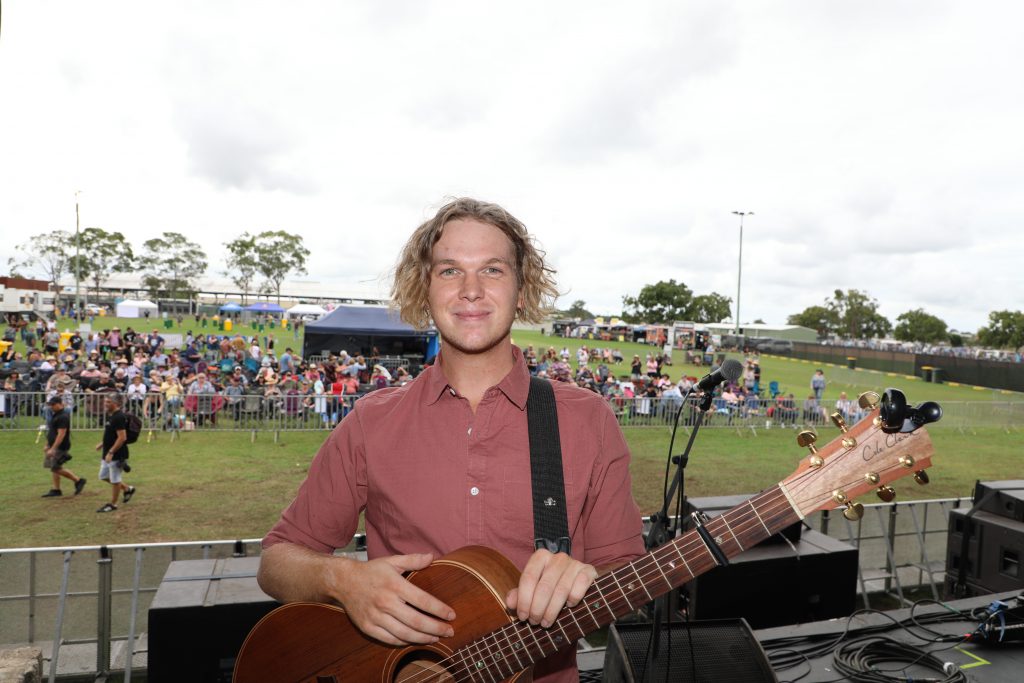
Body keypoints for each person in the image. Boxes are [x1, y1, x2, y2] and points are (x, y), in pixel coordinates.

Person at [256, 198, 644, 682]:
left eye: (493, 270)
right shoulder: (370, 423)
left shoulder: (587, 420)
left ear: (521, 291)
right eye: (449, 271)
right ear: (425, 289)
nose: (471, 290)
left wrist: (590, 581)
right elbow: (276, 560)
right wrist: (343, 581)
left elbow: (628, 576)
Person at [95, 394, 136, 513]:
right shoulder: (111, 415)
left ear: (117, 404)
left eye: (108, 402)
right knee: (103, 476)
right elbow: (111, 434)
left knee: (115, 479)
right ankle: (127, 489)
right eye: (105, 402)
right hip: (107, 452)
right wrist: (102, 444)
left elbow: (122, 437)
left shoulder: (119, 417)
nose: (105, 404)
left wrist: (111, 452)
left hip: (116, 454)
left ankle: (113, 504)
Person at [41, 396, 86, 498]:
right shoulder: (55, 415)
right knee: (54, 467)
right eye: (50, 405)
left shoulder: (63, 417)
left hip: (60, 446)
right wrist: (47, 444)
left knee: (56, 468)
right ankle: (56, 489)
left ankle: (78, 480)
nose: (51, 407)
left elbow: (61, 434)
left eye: (53, 404)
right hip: (53, 445)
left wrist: (53, 448)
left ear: (60, 404)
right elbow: (52, 432)